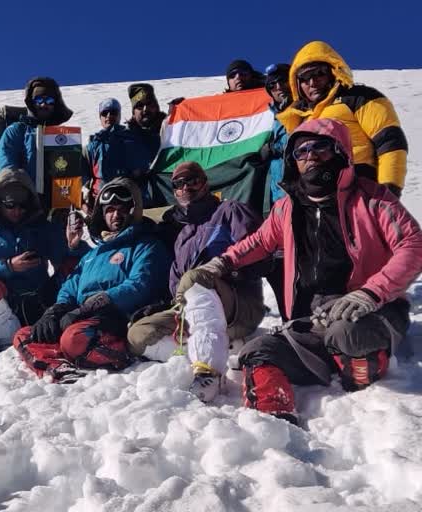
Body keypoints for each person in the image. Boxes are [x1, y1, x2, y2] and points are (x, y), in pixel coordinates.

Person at [178, 118, 422, 425]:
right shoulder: (287, 207)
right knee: (256, 351)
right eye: (302, 151)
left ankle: (359, 367)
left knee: (347, 334)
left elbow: (412, 244)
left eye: (320, 148)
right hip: (311, 320)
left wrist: (371, 292)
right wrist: (222, 263)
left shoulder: (372, 198)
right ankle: (274, 416)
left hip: (369, 309)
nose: (310, 157)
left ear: (340, 151)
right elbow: (258, 242)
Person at [127, 162, 266, 402]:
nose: (185, 188)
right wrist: (161, 306)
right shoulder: (184, 235)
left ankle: (208, 371)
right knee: (138, 334)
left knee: (194, 279)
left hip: (240, 306)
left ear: (205, 183)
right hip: (193, 313)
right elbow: (175, 287)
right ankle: (215, 349)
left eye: (192, 181)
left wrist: (226, 273)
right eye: (178, 184)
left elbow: (259, 254)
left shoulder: (230, 211)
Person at [12, 178, 172, 382]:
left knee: (73, 339)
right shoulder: (94, 253)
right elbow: (72, 284)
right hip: (81, 316)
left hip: (116, 316)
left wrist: (94, 304)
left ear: (133, 210)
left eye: (122, 208)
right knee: (25, 334)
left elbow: (140, 285)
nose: (115, 215)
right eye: (110, 209)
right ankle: (56, 365)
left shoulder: (147, 246)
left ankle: (118, 354)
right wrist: (57, 309)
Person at [0, 169, 87, 345]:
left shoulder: (43, 228)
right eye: (10, 205)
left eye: (23, 206)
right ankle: (8, 338)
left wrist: (73, 245)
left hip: (41, 300)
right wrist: (8, 266)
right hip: (6, 305)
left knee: (74, 265)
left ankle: (67, 317)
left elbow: (71, 262)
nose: (17, 211)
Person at [278, 41, 408, 197]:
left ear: (334, 72)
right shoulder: (298, 118)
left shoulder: (358, 97)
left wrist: (388, 191)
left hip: (359, 188)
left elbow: (389, 143)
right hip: (316, 200)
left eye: (319, 73)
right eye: (305, 78)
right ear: (297, 84)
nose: (312, 82)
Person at [0, 77, 73, 206]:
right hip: (25, 204)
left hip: (58, 204)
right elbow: (8, 168)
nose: (44, 104)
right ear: (32, 102)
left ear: (55, 104)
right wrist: (19, 198)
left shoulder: (64, 136)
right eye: (39, 99)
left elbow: (72, 171)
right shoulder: (16, 131)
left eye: (49, 100)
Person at [262, 63, 292, 320]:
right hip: (277, 201)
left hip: (302, 198)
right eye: (272, 84)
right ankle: (288, 316)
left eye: (283, 81)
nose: (279, 87)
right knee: (279, 264)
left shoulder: (302, 109)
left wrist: (281, 148)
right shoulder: (271, 117)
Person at [124, 83, 167, 207]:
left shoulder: (171, 132)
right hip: (138, 209)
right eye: (139, 106)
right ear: (133, 112)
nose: (145, 109)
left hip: (172, 206)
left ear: (156, 106)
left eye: (149, 104)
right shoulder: (124, 141)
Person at [83, 97, 127, 208]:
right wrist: (83, 201)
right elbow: (83, 178)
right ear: (100, 117)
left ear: (119, 115)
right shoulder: (91, 147)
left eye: (113, 112)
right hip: (100, 202)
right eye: (104, 113)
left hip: (127, 200)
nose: (108, 116)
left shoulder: (131, 140)